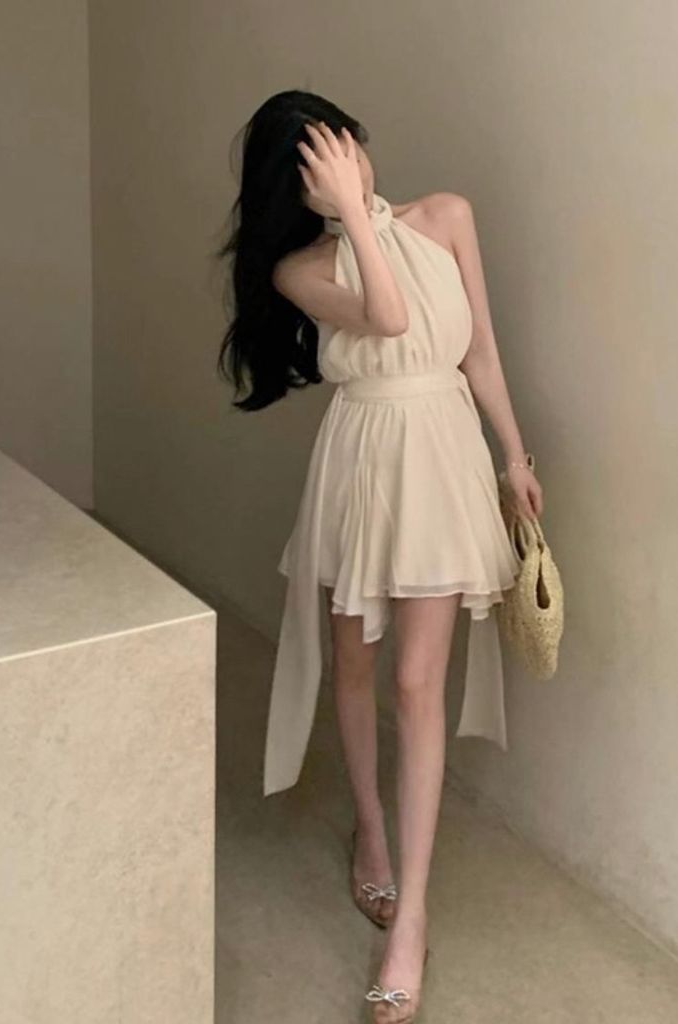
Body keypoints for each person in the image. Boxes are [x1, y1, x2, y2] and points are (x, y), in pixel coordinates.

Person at [217, 90, 543, 1023]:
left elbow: (480, 351)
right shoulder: (298, 268)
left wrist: (514, 455)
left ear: (360, 144)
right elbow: (390, 318)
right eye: (318, 168)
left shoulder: (448, 216)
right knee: (354, 665)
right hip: (363, 460)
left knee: (416, 681)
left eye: (347, 149)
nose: (345, 170)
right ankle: (371, 832)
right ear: (296, 189)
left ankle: (414, 919)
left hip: (442, 451)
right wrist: (355, 217)